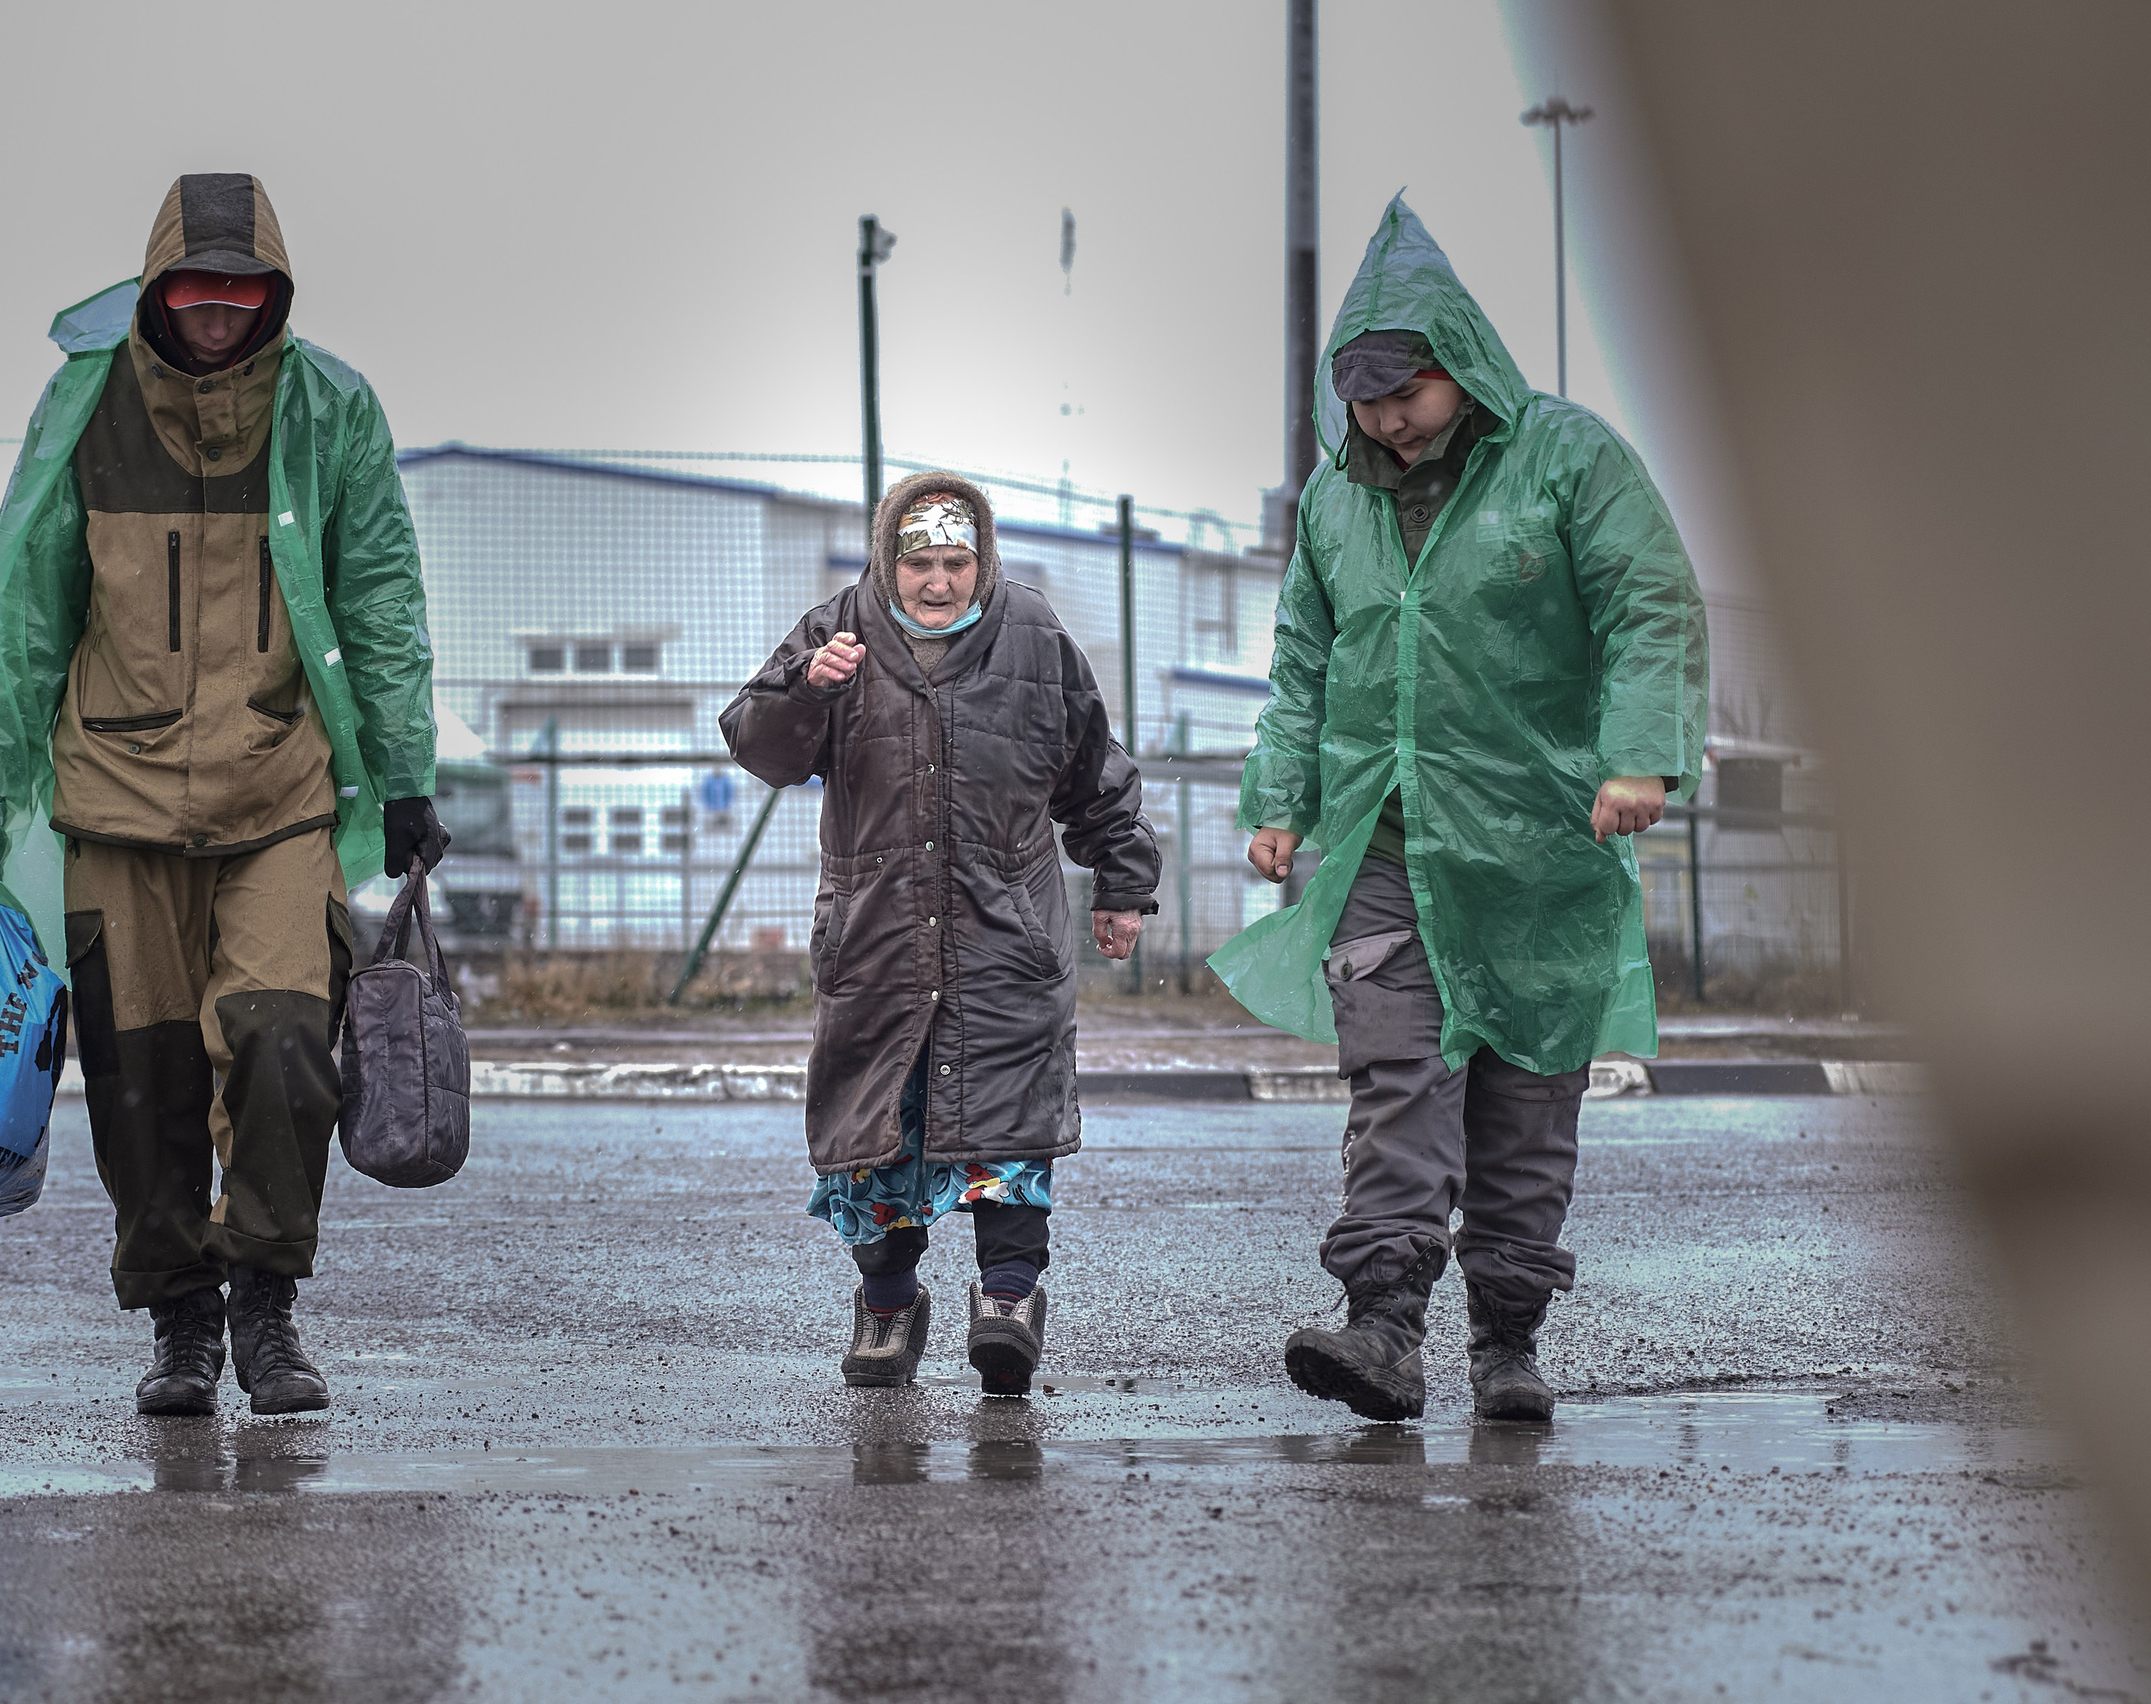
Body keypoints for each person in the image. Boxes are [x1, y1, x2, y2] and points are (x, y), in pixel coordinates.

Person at [0, 173, 446, 1417]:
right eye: (197, 299)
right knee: (139, 1074)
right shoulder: (85, 405)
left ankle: (265, 1305)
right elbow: (20, 612)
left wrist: (406, 772)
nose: (220, 322)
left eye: (244, 299)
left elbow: (379, 598)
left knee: (280, 1048)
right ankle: (179, 1321)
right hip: (117, 801)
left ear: (274, 296)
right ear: (157, 293)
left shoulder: (329, 408)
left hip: (279, 797)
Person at [1214, 197, 1707, 1424]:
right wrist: (1279, 796)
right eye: (1367, 395)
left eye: (1410, 389)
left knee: (1527, 1096)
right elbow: (1301, 660)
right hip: (1383, 834)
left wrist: (1638, 757)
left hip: (1542, 839)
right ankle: (1380, 1324)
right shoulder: (1335, 502)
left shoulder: (1567, 459)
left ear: (1461, 367)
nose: (1389, 416)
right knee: (1399, 1072)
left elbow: (1651, 601)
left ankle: (1508, 1341)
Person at [721, 472, 1159, 1395]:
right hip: (876, 940)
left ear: (983, 559)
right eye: (919, 562)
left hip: (1007, 934)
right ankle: (888, 1303)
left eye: (956, 562)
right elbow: (760, 748)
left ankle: (1007, 1300)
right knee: (878, 1127)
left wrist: (1123, 881)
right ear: (888, 561)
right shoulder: (837, 629)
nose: (938, 583)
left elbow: (1094, 771)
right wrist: (805, 690)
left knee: (1007, 1124)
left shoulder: (1035, 636)